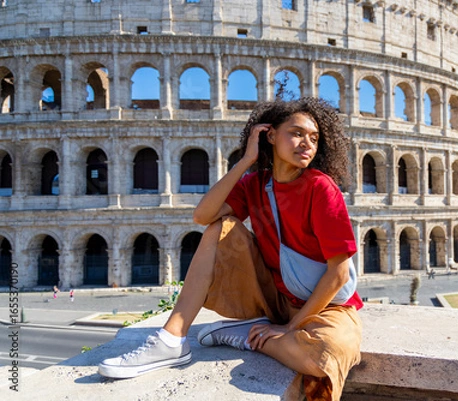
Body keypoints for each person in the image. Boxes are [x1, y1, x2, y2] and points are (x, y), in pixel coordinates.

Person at [98, 98, 363, 401]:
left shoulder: (321, 187)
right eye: (297, 133)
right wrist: (245, 161)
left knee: (326, 354)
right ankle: (171, 339)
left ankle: (250, 337)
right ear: (270, 135)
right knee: (218, 228)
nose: (307, 144)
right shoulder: (254, 184)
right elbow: (202, 216)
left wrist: (290, 327)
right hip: (273, 296)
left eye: (314, 138)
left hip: (326, 306)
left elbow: (339, 274)